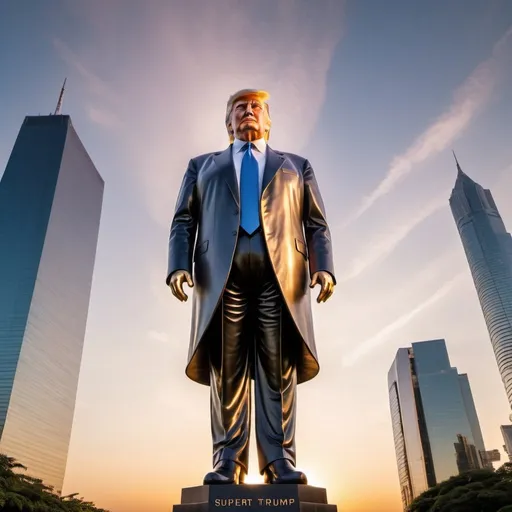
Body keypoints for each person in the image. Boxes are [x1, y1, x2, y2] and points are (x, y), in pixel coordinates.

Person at [167, 89, 335, 485]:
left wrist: (323, 267)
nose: (248, 112)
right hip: (221, 276)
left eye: (256, 107)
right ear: (229, 123)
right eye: (239, 108)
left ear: (268, 120)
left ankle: (279, 461)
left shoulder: (296, 165)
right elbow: (183, 219)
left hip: (282, 277)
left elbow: (316, 223)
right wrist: (178, 265)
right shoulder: (201, 165)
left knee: (278, 369)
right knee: (228, 371)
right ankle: (229, 461)